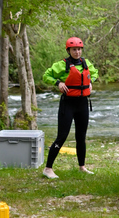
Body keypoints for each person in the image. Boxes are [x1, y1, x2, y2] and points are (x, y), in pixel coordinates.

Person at [42, 37, 98, 179]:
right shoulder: (62, 65)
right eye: (74, 49)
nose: (77, 52)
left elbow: (94, 73)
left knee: (81, 137)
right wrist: (58, 82)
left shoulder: (86, 63)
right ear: (68, 50)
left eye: (79, 49)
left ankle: (82, 167)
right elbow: (46, 76)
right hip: (68, 104)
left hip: (83, 104)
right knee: (62, 136)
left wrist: (90, 81)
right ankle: (48, 169)